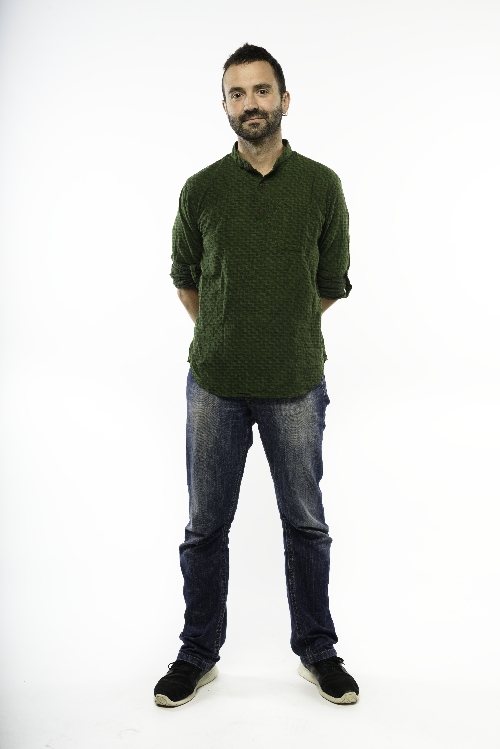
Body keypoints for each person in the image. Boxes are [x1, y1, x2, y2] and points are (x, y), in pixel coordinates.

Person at [154, 43, 359, 708]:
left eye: (262, 90)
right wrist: (225, 330)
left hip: (295, 382)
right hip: (214, 384)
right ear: (224, 105)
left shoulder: (321, 185)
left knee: (306, 524)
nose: (251, 103)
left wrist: (282, 326)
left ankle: (318, 651)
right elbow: (186, 279)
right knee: (205, 527)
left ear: (284, 100)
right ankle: (197, 652)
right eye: (237, 93)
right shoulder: (201, 189)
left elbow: (329, 282)